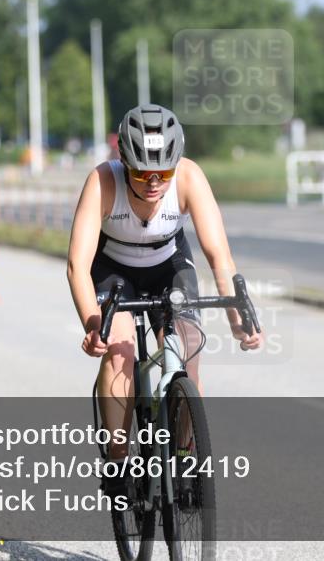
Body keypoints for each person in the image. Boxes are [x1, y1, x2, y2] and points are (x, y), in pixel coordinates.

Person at [67, 104, 262, 471]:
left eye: (163, 172)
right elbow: (78, 265)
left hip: (169, 265)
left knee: (188, 350)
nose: (154, 182)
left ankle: (186, 457)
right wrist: (93, 324)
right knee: (120, 351)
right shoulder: (102, 182)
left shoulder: (189, 178)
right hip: (114, 271)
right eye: (142, 174)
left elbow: (219, 254)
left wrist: (237, 319)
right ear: (124, 161)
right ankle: (118, 460)